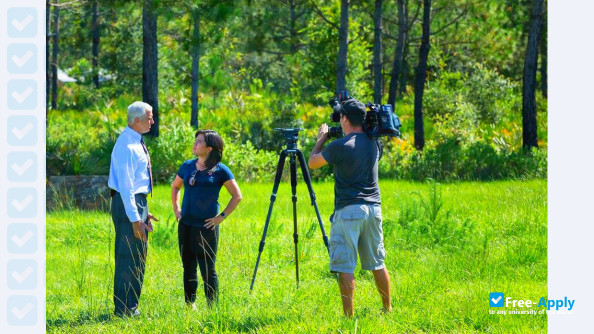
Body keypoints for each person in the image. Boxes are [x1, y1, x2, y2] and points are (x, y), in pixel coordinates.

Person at [308, 98, 392, 317]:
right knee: (377, 263)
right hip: (373, 209)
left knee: (345, 265)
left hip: (348, 211)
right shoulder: (373, 143)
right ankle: (387, 308)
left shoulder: (341, 145)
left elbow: (313, 163)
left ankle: (348, 316)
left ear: (344, 118)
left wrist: (321, 139)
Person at [171, 130, 242, 308]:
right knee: (188, 266)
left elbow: (237, 196)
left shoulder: (220, 170)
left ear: (209, 148)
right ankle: (190, 305)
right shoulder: (187, 166)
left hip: (207, 227)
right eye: (195, 140)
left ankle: (212, 308)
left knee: (208, 268)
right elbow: (175, 187)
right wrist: (176, 208)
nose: (195, 144)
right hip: (186, 224)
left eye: (199, 141)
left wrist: (221, 217)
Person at [108, 101, 159, 317]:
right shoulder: (126, 146)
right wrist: (135, 218)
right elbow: (127, 186)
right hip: (127, 202)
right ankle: (124, 309)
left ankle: (131, 305)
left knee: (138, 255)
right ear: (136, 121)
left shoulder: (135, 141)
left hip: (136, 203)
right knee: (128, 256)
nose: (152, 121)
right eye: (149, 118)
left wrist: (143, 212)